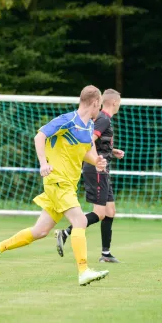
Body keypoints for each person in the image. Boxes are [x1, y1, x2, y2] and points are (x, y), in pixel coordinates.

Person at [0, 85, 110, 286]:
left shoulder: (88, 127)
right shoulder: (67, 120)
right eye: (100, 105)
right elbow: (40, 136)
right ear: (95, 102)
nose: (100, 109)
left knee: (40, 231)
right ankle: (83, 270)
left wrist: (98, 161)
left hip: (68, 184)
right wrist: (43, 163)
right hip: (56, 180)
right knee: (80, 221)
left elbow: (86, 153)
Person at [54, 89, 124, 263]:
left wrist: (110, 151)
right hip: (97, 169)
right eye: (119, 102)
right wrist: (97, 159)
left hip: (102, 169)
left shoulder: (102, 119)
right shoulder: (103, 118)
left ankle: (106, 254)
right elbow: (88, 139)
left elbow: (96, 142)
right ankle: (66, 232)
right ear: (115, 102)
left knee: (110, 211)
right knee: (99, 213)